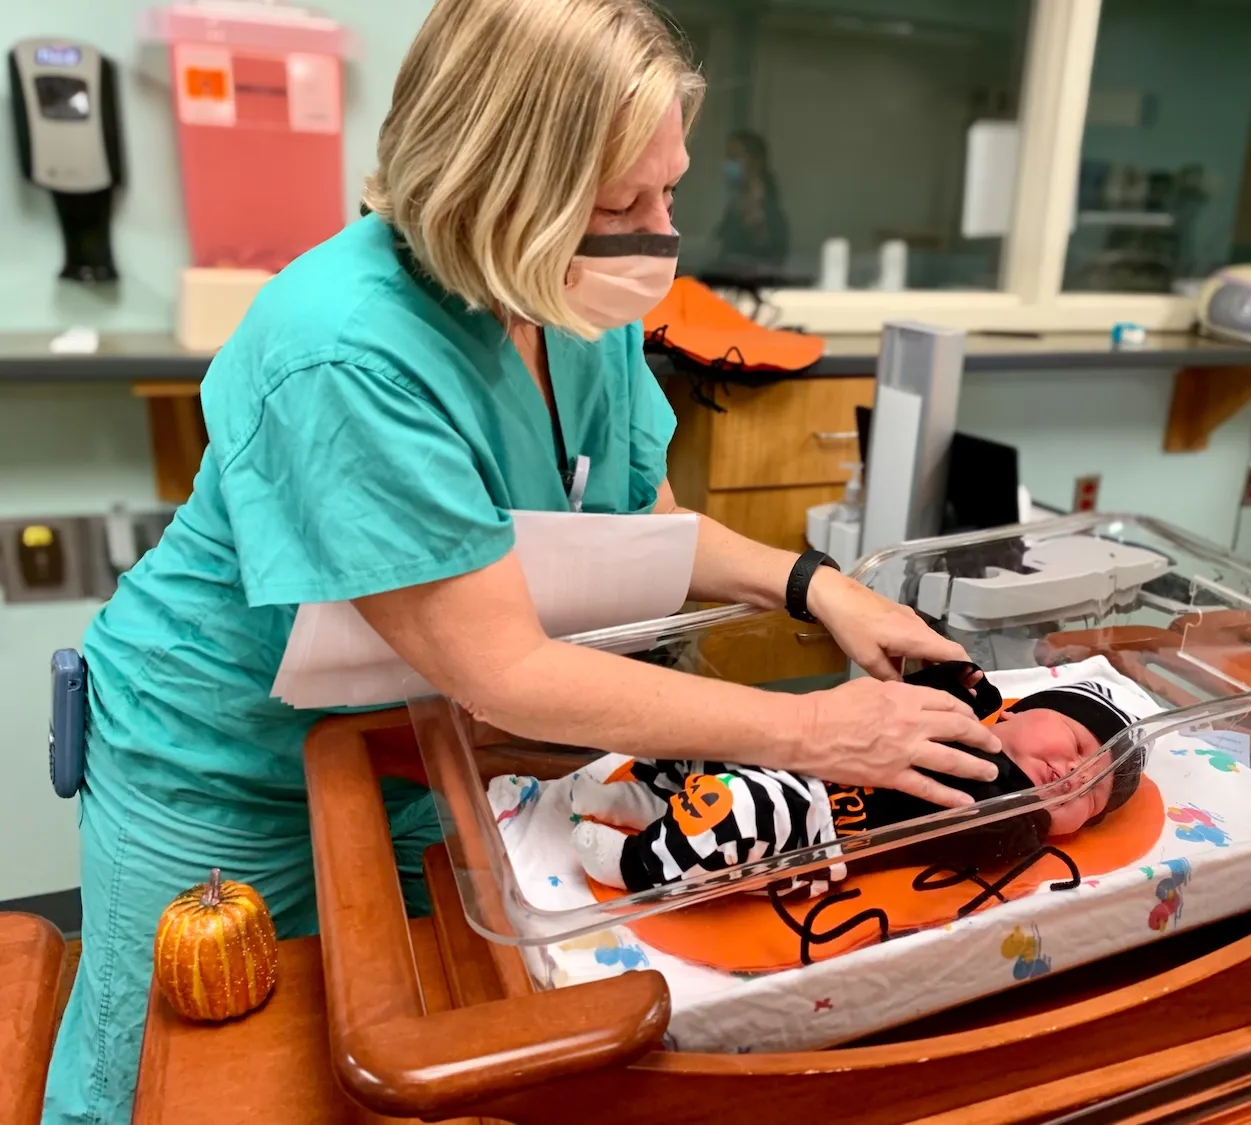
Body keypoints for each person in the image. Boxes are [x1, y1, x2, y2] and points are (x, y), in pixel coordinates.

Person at [44, 2, 1005, 1121]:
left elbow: (640, 529)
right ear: (492, 190)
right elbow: (503, 665)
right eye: (620, 206)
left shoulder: (569, 302)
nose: (658, 237)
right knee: (192, 1078)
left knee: (429, 1044)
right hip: (221, 765)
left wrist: (816, 585)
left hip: (425, 748)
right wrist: (814, 731)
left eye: (669, 191)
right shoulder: (345, 350)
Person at [571, 662, 1142, 892]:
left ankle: (639, 867)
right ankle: (645, 802)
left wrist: (1028, 812)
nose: (1076, 775)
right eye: (1078, 746)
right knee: (704, 748)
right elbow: (898, 698)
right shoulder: (964, 719)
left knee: (743, 809)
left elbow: (987, 831)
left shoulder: (1016, 824)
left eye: (1091, 797)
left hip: (820, 832)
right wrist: (946, 680)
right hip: (806, 753)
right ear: (1015, 713)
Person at [713, 129, 790, 272]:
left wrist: (756, 223)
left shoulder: (769, 211)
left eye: (734, 157)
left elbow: (771, 257)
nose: (729, 165)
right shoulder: (734, 207)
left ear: (755, 162)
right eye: (728, 158)